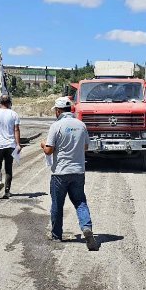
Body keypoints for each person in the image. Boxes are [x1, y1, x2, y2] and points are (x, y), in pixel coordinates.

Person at [40, 96, 100, 251]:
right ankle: (86, 228)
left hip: (60, 172)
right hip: (78, 171)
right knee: (80, 202)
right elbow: (86, 147)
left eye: (56, 111)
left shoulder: (56, 126)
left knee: (57, 205)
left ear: (58, 111)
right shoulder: (81, 125)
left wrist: (42, 145)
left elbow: (49, 150)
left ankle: (57, 236)